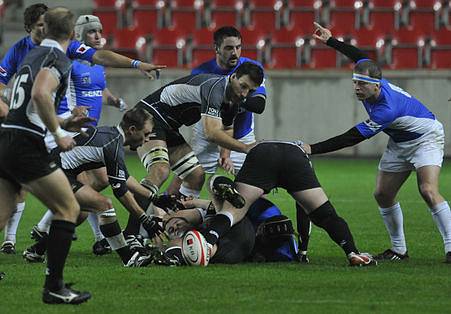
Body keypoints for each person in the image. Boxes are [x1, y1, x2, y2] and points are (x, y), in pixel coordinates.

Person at [0, 3, 164, 254]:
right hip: (38, 136)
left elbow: (100, 57)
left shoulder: (42, 53)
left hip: (27, 131)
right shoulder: (51, 56)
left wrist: (136, 65)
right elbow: (41, 94)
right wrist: (58, 129)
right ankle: (51, 266)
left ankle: (46, 246)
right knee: (74, 204)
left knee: (13, 203)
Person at [303, 22, 451, 264]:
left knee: (428, 190)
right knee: (383, 194)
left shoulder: (386, 110)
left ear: (376, 86)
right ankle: (399, 250)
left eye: (362, 84)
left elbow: (352, 137)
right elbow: (360, 57)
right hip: (400, 140)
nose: (357, 88)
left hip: (426, 139)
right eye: (354, 82)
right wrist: (331, 40)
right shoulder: (372, 78)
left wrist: (313, 148)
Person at [0, 7, 92, 304]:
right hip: (27, 144)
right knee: (69, 209)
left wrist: (65, 122)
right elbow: (40, 95)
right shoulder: (57, 58)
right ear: (72, 33)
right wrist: (59, 134)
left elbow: (28, 102)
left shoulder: (32, 54)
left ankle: (55, 285)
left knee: (2, 214)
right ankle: (54, 286)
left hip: (7, 137)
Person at [121, 62, 264, 238]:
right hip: (149, 117)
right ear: (233, 77)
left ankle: (173, 224)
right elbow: (211, 132)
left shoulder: (233, 100)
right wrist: (245, 148)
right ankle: (131, 234)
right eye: (243, 86)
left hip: (170, 127)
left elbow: (227, 129)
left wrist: (224, 154)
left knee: (195, 176)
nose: (244, 94)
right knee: (160, 170)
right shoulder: (216, 88)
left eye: (250, 91)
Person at [30, 14, 129, 257]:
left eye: (100, 31)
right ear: (80, 35)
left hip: (90, 128)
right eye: (92, 31)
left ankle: (51, 235)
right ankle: (48, 233)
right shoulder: (69, 62)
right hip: (73, 130)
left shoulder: (98, 64)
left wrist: (114, 101)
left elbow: (100, 90)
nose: (98, 35)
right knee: (93, 185)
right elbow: (55, 92)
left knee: (92, 186)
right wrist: (68, 115)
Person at [198, 141, 377, 267]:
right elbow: (303, 210)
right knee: (326, 215)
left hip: (263, 153)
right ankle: (353, 252)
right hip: (295, 157)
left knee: (233, 212)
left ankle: (208, 242)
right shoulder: (301, 155)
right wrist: (303, 250)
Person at [24, 108, 162, 267]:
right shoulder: (113, 144)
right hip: (52, 172)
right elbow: (121, 191)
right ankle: (129, 258)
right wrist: (145, 219)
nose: (146, 140)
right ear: (132, 130)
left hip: (54, 170)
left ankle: (37, 250)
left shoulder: (111, 136)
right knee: (104, 204)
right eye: (145, 134)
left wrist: (155, 197)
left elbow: (124, 178)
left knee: (79, 214)